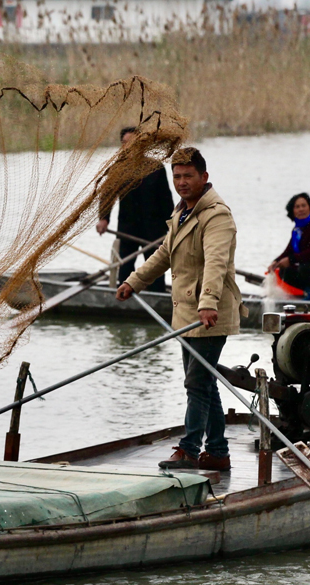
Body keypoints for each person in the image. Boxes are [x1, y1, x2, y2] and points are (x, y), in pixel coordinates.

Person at [115, 148, 245, 471]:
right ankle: (217, 452)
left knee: (196, 384)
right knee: (204, 383)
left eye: (189, 176)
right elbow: (163, 254)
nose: (182, 182)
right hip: (187, 314)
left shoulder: (216, 215)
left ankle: (189, 450)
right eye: (177, 176)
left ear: (204, 177)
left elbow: (216, 262)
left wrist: (208, 303)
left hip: (210, 315)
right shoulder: (182, 213)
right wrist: (134, 281)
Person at [96, 126, 174, 292]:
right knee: (125, 267)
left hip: (154, 229)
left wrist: (172, 226)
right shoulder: (118, 168)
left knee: (154, 270)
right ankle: (123, 297)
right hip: (128, 227)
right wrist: (104, 218)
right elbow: (107, 195)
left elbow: (166, 200)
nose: (129, 147)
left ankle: (156, 297)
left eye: (133, 143)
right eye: (125, 143)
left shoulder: (156, 168)